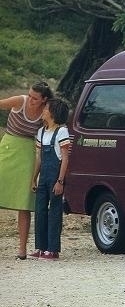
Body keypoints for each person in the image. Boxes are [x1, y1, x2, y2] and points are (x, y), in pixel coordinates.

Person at [0, 82, 54, 259]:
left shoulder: (46, 111)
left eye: (35, 98)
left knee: (24, 203)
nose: (31, 100)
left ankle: (22, 250)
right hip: (8, 149)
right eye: (30, 95)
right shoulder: (19, 101)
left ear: (44, 99)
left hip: (29, 155)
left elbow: (55, 127)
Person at [30, 98, 70, 260]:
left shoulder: (61, 132)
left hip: (55, 176)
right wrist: (34, 178)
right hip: (43, 177)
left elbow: (65, 158)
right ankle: (41, 247)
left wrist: (60, 181)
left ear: (53, 113)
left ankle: (53, 249)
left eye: (46, 108)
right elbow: (39, 158)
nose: (43, 110)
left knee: (54, 211)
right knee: (40, 211)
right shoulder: (41, 132)